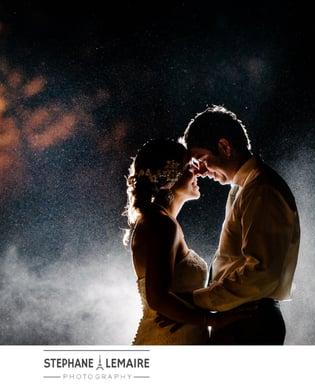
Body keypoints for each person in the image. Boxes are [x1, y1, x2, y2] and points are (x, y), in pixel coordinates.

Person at [182, 105, 301, 345]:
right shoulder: (245, 187)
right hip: (241, 317)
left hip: (250, 322)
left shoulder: (261, 189)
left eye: (202, 159)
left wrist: (197, 300)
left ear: (225, 147)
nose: (201, 171)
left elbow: (261, 272)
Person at [124, 138, 211, 345]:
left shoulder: (158, 221)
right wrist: (216, 320)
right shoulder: (161, 224)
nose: (198, 172)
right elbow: (158, 298)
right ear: (171, 177)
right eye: (190, 166)